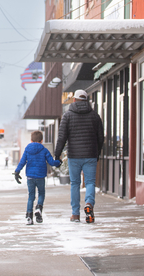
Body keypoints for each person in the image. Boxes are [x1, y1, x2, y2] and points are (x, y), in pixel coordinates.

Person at [55, 89, 104, 224]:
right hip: (90, 155)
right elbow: (101, 137)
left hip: (74, 156)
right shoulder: (94, 116)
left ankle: (75, 214)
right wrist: (97, 152)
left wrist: (57, 154)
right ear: (86, 100)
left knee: (75, 184)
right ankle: (89, 203)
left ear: (74, 100)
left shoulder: (67, 116)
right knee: (89, 182)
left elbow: (61, 137)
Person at [14, 130, 61, 225]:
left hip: (30, 177)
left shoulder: (27, 149)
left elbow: (22, 162)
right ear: (41, 140)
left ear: (31, 140)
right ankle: (39, 208)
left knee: (31, 196)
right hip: (40, 177)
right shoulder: (44, 150)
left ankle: (29, 217)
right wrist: (59, 162)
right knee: (41, 193)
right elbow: (52, 162)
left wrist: (17, 172)